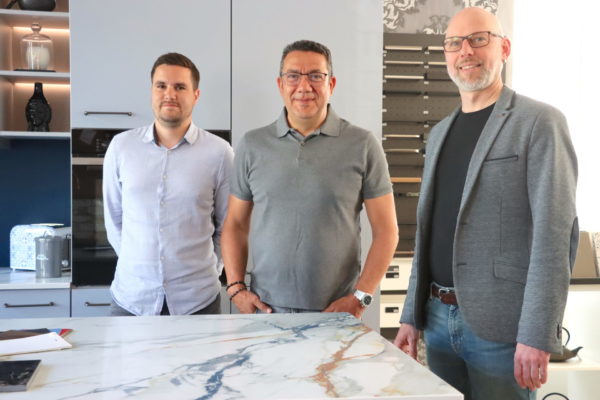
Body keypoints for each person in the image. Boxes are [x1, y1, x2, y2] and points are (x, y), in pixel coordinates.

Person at [393, 7, 578, 400]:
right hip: (437, 321)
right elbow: (428, 233)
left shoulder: (539, 122)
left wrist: (537, 333)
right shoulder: (439, 134)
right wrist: (411, 316)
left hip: (503, 329)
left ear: (504, 48)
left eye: (479, 39)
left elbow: (555, 235)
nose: (466, 51)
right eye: (454, 43)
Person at [222, 40, 398, 317]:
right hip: (266, 310)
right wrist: (235, 289)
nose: (304, 87)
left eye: (316, 76)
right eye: (293, 76)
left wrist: (360, 298)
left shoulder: (363, 144)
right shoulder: (253, 144)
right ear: (280, 84)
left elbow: (387, 231)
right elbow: (235, 223)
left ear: (331, 84)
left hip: (336, 312)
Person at [103, 52, 233, 316]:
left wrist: (211, 269)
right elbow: (114, 219)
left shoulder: (220, 153)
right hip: (132, 299)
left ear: (196, 95)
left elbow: (228, 226)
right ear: (152, 91)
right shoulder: (121, 147)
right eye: (161, 86)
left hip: (197, 301)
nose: (169, 94)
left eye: (180, 87)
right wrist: (139, 265)